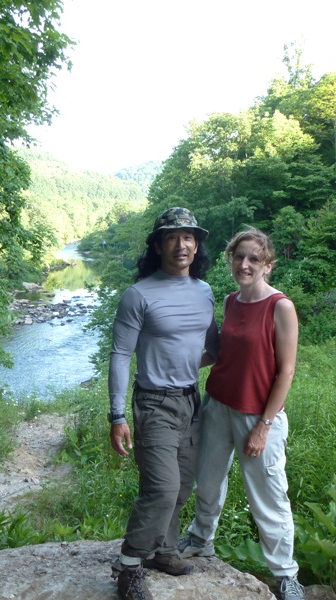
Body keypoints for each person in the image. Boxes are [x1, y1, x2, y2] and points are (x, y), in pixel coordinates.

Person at [179, 227, 305, 600]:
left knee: (268, 496)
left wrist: (264, 426)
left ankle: (285, 575)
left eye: (253, 258)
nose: (244, 264)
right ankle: (201, 539)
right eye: (239, 257)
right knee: (207, 481)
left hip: (258, 416)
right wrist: (178, 366)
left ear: (268, 264)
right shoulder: (231, 301)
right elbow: (220, 353)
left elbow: (286, 371)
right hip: (217, 406)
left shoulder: (280, 306)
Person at [108, 207, 220, 600]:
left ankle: (163, 550)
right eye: (172, 237)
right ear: (157, 246)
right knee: (161, 487)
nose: (182, 244)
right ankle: (129, 566)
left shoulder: (204, 291)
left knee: (182, 486)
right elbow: (121, 355)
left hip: (192, 400)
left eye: (189, 236)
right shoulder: (138, 295)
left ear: (197, 244)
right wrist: (117, 415)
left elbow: (212, 347)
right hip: (154, 403)